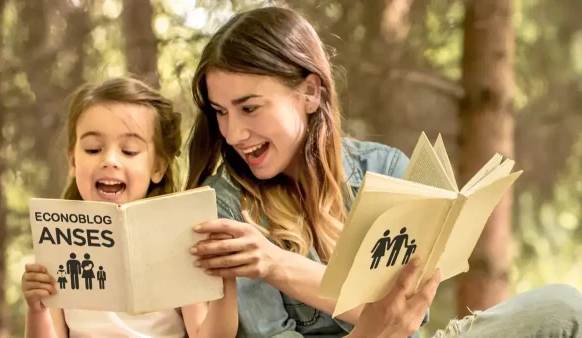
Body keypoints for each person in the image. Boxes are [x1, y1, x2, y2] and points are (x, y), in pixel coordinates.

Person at [184, 6, 582, 338]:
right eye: (220, 112)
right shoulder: (225, 205)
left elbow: (411, 314)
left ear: (310, 92)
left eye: (249, 108)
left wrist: (276, 264)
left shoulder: (384, 168)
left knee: (564, 308)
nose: (233, 133)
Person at [21, 77, 238, 338]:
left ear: (158, 166)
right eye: (93, 149)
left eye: (129, 151)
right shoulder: (58, 245)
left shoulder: (178, 239)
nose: (109, 160)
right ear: (73, 162)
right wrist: (37, 310)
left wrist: (227, 280)